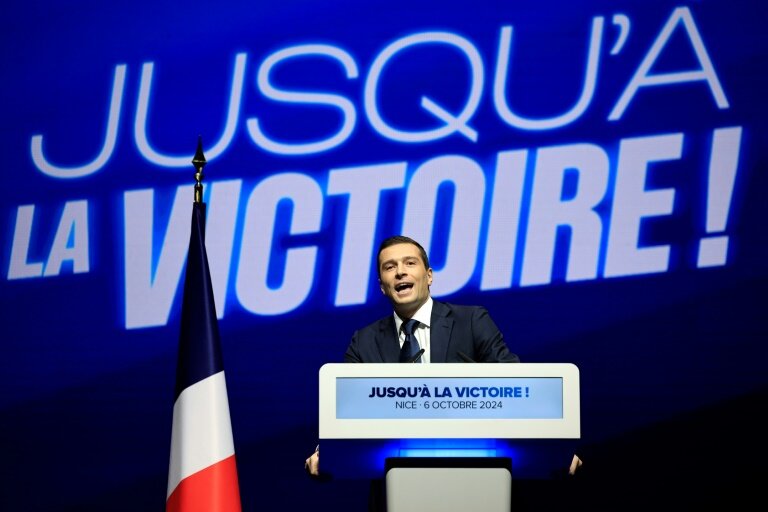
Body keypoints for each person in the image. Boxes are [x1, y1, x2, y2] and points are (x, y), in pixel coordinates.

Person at [305, 235, 583, 477]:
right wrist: (325, 452)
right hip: (396, 481)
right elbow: (345, 413)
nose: (400, 272)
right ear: (382, 285)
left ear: (429, 276)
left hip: (475, 476)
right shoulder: (364, 340)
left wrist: (550, 445)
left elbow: (516, 388)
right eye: (390, 267)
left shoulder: (472, 321)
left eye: (409, 263)